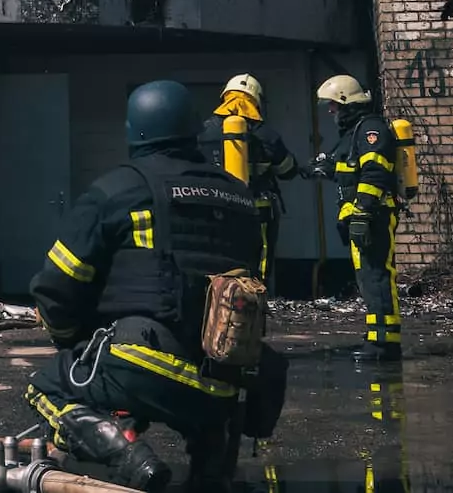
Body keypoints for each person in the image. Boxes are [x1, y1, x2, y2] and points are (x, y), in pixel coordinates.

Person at [24, 80, 264, 492]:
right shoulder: (239, 197)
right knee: (184, 390)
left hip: (146, 365)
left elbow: (57, 285)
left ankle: (127, 452)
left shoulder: (119, 189)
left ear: (135, 131)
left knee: (47, 386)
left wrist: (73, 342)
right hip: (228, 380)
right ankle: (212, 458)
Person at [315, 74, 404, 363]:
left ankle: (384, 344)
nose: (330, 112)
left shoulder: (371, 130)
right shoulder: (352, 134)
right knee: (367, 277)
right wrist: (320, 168)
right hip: (361, 216)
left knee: (377, 275)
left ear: (346, 102)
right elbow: (345, 169)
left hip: (373, 214)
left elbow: (375, 172)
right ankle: (376, 334)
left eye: (333, 106)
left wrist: (363, 211)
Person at [203, 74, 298, 283]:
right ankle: (256, 297)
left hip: (215, 205)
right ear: (255, 100)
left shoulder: (205, 130)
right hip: (257, 206)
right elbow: (287, 170)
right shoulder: (266, 134)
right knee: (259, 255)